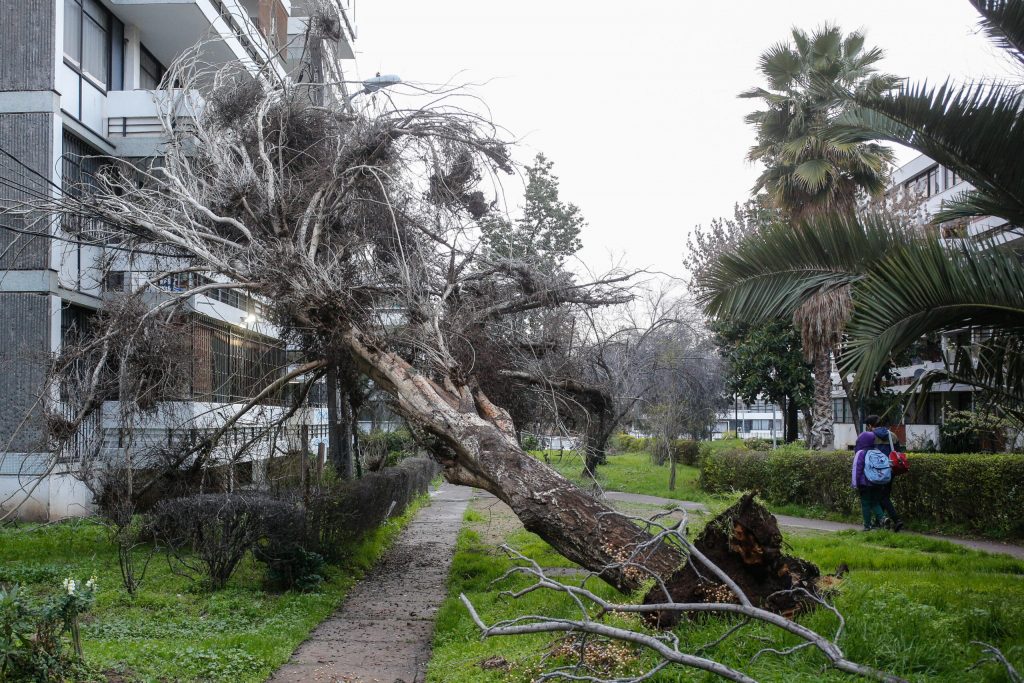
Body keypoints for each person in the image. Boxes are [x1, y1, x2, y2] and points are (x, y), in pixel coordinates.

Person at [866, 415, 904, 532]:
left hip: (876, 471)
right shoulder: (893, 435)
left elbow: (866, 453)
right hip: (890, 470)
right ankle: (880, 522)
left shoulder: (870, 436)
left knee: (880, 497)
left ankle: (896, 520)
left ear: (870, 426)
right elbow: (898, 453)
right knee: (883, 495)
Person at [852, 415, 885, 530]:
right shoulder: (876, 451)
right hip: (876, 482)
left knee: (865, 503)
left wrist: (855, 483)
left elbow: (857, 469)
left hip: (864, 483)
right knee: (875, 502)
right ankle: (883, 519)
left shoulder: (860, 453)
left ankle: (867, 525)